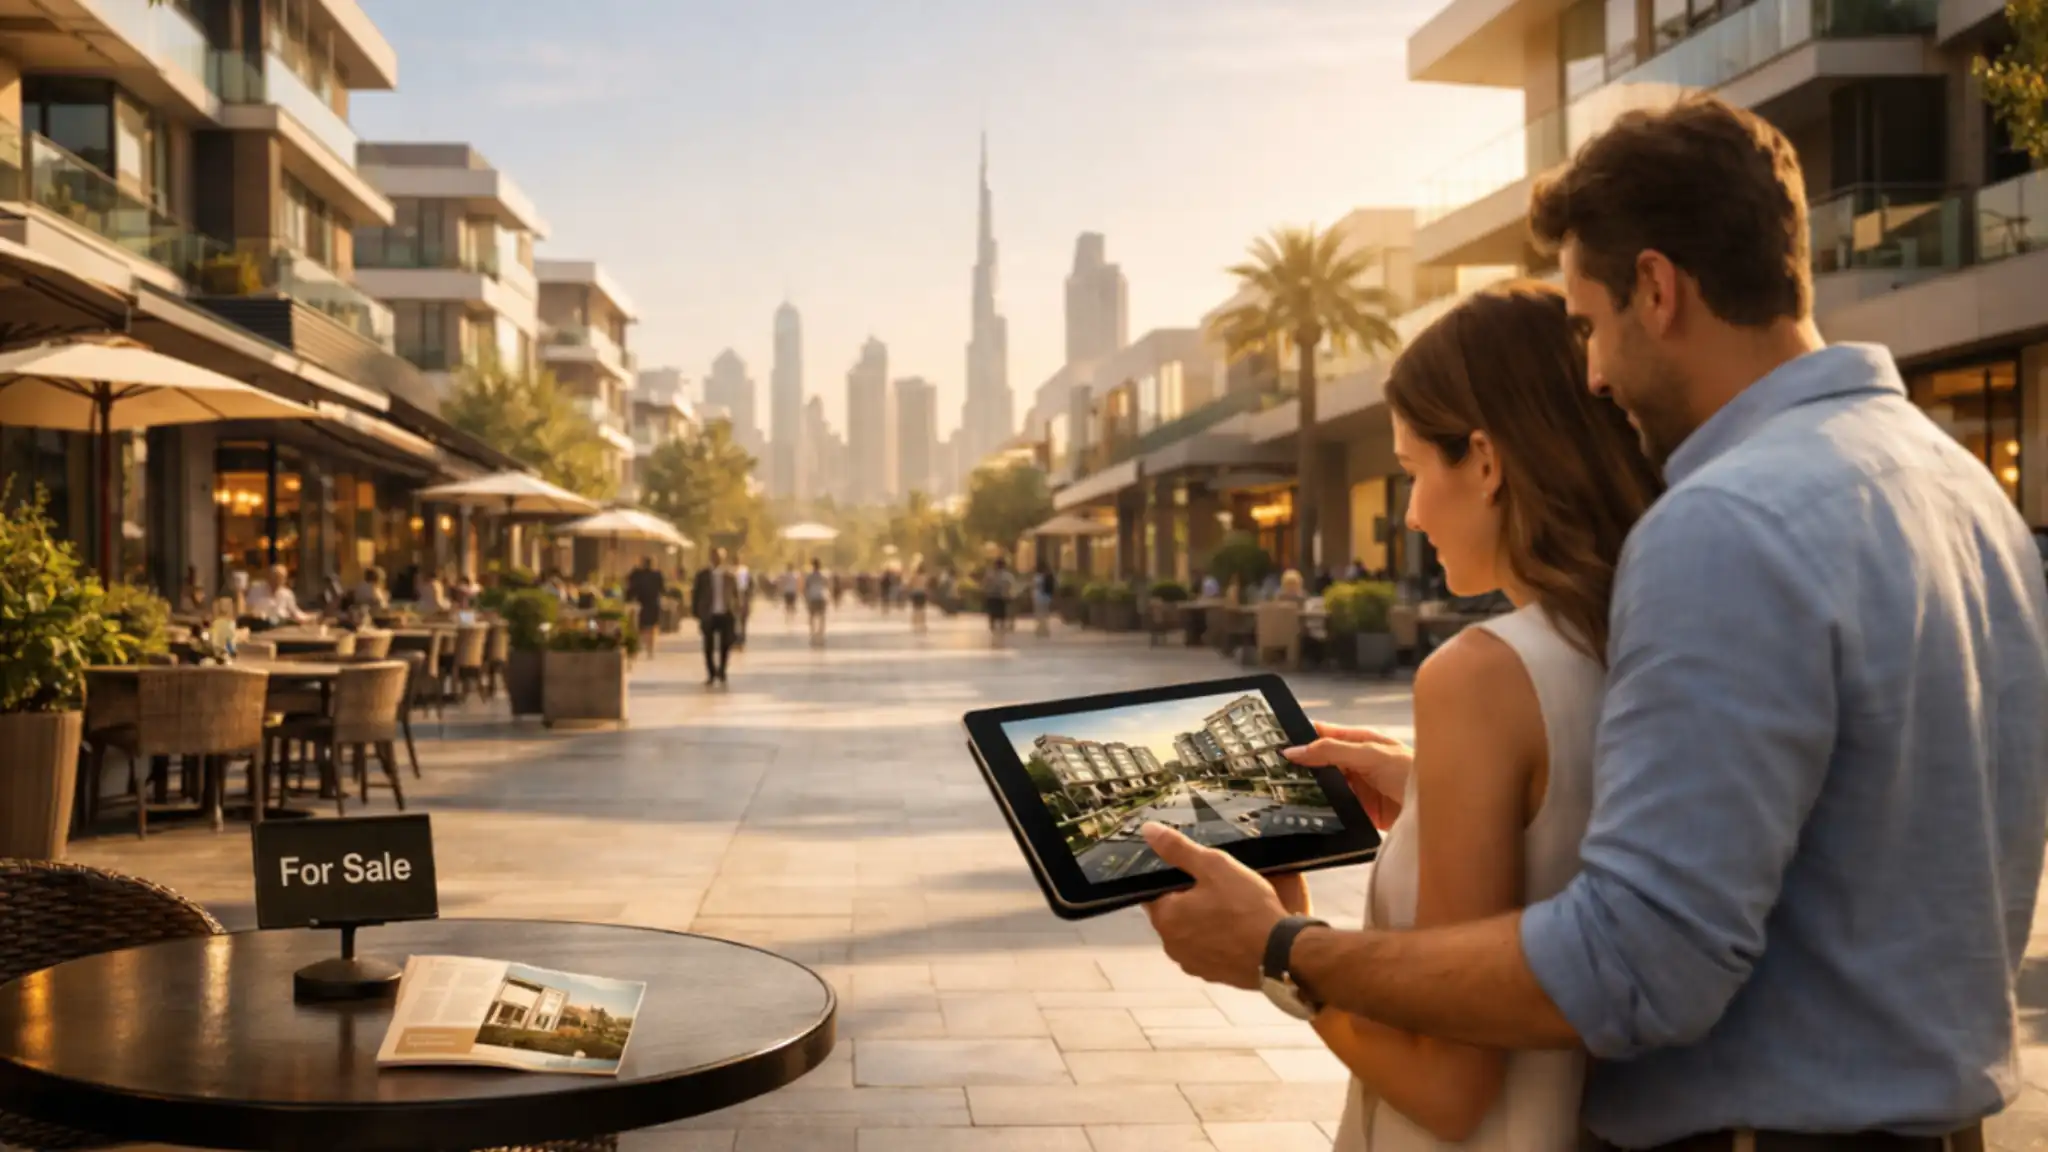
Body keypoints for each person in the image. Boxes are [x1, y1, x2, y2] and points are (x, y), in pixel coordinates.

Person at [1142, 95, 2048, 1152]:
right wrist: (1443, 788)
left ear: (1654, 290)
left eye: (1585, 322)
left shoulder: (1721, 523)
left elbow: (1635, 966)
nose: (1588, 375)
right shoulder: (1964, 491)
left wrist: (1285, 947)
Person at [691, 547, 741, 686]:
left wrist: (737, 610)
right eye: (714, 556)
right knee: (708, 645)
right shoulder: (702, 575)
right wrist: (696, 612)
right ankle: (711, 673)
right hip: (709, 614)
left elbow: (736, 595)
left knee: (726, 644)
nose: (716, 559)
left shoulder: (729, 575)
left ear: (723, 558)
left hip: (726, 614)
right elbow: (696, 594)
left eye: (719, 556)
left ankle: (722, 671)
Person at [626, 556, 665, 659]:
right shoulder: (656, 575)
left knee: (641, 627)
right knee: (651, 627)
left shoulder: (637, 574)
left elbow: (631, 588)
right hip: (652, 603)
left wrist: (629, 598)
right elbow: (662, 589)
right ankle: (649, 650)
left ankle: (640, 648)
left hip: (642, 603)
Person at [244, 564, 310, 624]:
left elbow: (295, 611)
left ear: (284, 580)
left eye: (281, 578)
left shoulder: (287, 593)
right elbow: (248, 609)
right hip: (259, 624)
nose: (277, 581)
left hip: (280, 625)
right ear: (269, 577)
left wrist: (308, 618)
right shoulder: (257, 589)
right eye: (275, 577)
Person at [984, 557, 1015, 641]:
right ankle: (1001, 630)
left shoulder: (990, 575)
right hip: (1002, 597)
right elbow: (1010, 586)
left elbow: (986, 585)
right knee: (1002, 614)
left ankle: (993, 629)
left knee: (992, 614)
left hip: (992, 597)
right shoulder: (1008, 575)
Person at [804, 557, 830, 644]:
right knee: (822, 616)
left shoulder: (809, 576)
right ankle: (821, 633)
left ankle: (812, 634)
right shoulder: (823, 575)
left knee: (812, 616)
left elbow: (806, 588)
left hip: (812, 597)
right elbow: (827, 586)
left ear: (812, 566)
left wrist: (806, 599)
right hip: (821, 597)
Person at [732, 555, 753, 648]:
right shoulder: (743, 570)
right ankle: (739, 639)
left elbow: (750, 584)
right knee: (739, 620)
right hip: (740, 596)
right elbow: (750, 584)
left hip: (738, 596)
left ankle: (739, 639)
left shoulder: (742, 570)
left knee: (738, 619)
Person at [907, 561, 930, 634]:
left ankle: (915, 623)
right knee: (922, 609)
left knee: (915, 609)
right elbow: (926, 586)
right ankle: (922, 623)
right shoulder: (924, 577)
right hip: (922, 593)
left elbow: (909, 585)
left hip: (915, 593)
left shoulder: (914, 577)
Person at [1033, 561, 1055, 636]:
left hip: (1039, 596)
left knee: (1040, 613)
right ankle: (1043, 629)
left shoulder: (1038, 577)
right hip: (1046, 596)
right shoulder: (1048, 576)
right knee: (1044, 613)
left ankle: (1041, 629)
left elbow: (1035, 586)